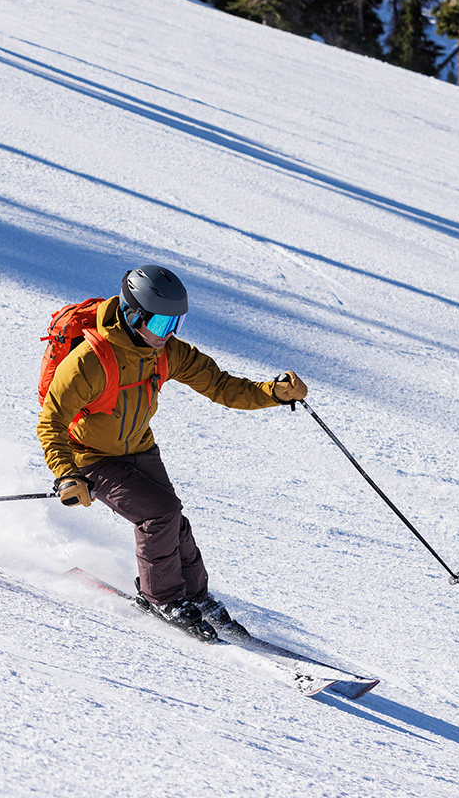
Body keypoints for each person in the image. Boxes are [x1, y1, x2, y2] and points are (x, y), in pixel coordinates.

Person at [37, 265, 308, 641]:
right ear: (133, 316)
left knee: (172, 519)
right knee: (158, 514)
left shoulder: (166, 354)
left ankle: (196, 596)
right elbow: (51, 422)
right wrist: (67, 474)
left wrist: (273, 393)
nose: (169, 335)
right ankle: (162, 597)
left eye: (175, 325)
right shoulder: (89, 362)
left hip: (140, 448)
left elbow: (221, 386)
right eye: (162, 325)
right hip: (91, 457)